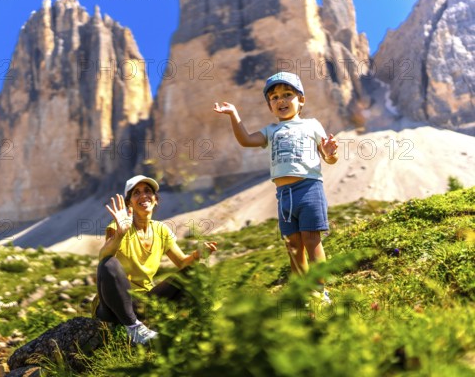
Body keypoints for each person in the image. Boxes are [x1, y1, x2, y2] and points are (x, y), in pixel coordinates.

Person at [213, 71, 338, 303]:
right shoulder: (271, 131)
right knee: (293, 245)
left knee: (312, 240)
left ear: (301, 100)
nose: (281, 100)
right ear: (269, 105)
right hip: (284, 195)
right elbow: (246, 140)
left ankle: (321, 291)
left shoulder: (311, 125)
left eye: (287, 94)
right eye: (274, 97)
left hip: (309, 189)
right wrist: (233, 114)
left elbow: (329, 158)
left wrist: (330, 153)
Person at [94, 175, 218, 345]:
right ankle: (134, 328)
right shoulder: (118, 227)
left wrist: (197, 255)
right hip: (114, 306)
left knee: (197, 271)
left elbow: (182, 263)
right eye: (136, 193)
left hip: (144, 303)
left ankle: (190, 325)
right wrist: (120, 234)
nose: (143, 196)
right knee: (109, 263)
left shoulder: (161, 230)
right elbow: (104, 258)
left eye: (148, 191)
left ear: (155, 200)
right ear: (129, 203)